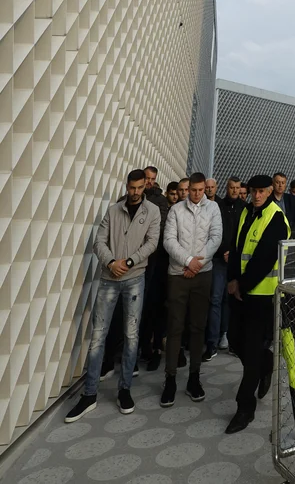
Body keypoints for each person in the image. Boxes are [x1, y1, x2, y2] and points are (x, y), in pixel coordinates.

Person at [65, 169, 160, 422]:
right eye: (132, 188)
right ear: (127, 186)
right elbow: (99, 242)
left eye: (140, 188)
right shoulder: (113, 210)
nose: (136, 192)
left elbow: (152, 243)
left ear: (145, 188)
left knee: (131, 335)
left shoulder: (152, 212)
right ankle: (89, 394)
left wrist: (128, 262)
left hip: (135, 279)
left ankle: (125, 389)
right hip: (109, 278)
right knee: (98, 336)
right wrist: (111, 263)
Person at [226, 174, 290, 433]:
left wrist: (242, 284)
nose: (258, 195)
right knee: (235, 341)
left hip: (263, 295)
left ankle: (244, 408)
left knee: (250, 350)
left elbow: (264, 258)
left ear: (270, 191)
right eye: (254, 191)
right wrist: (233, 279)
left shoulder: (276, 218)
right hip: (241, 292)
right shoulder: (246, 212)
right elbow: (236, 246)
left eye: (262, 191)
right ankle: (266, 363)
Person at [160, 172, 222, 407]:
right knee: (175, 327)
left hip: (202, 275)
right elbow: (168, 240)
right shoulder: (176, 210)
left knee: (198, 327)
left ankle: (194, 377)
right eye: (192, 190)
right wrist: (188, 261)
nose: (196, 194)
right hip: (178, 275)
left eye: (200, 190)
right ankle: (171, 379)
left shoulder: (213, 209)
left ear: (205, 188)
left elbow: (215, 238)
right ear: (187, 190)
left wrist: (198, 263)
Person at [204, 176, 242, 359]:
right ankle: (212, 343)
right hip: (219, 260)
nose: (234, 190)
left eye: (237, 188)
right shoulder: (217, 206)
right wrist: (223, 251)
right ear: (226, 188)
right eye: (231, 187)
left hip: (236, 261)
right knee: (216, 299)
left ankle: (228, 337)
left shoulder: (244, 208)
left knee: (232, 300)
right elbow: (213, 232)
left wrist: (234, 254)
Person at [139, 166, 171, 370]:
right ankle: (142, 348)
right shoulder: (130, 199)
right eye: (147, 178)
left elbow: (159, 230)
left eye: (152, 179)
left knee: (155, 306)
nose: (150, 182)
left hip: (156, 261)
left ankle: (154, 348)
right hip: (137, 261)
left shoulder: (160, 201)